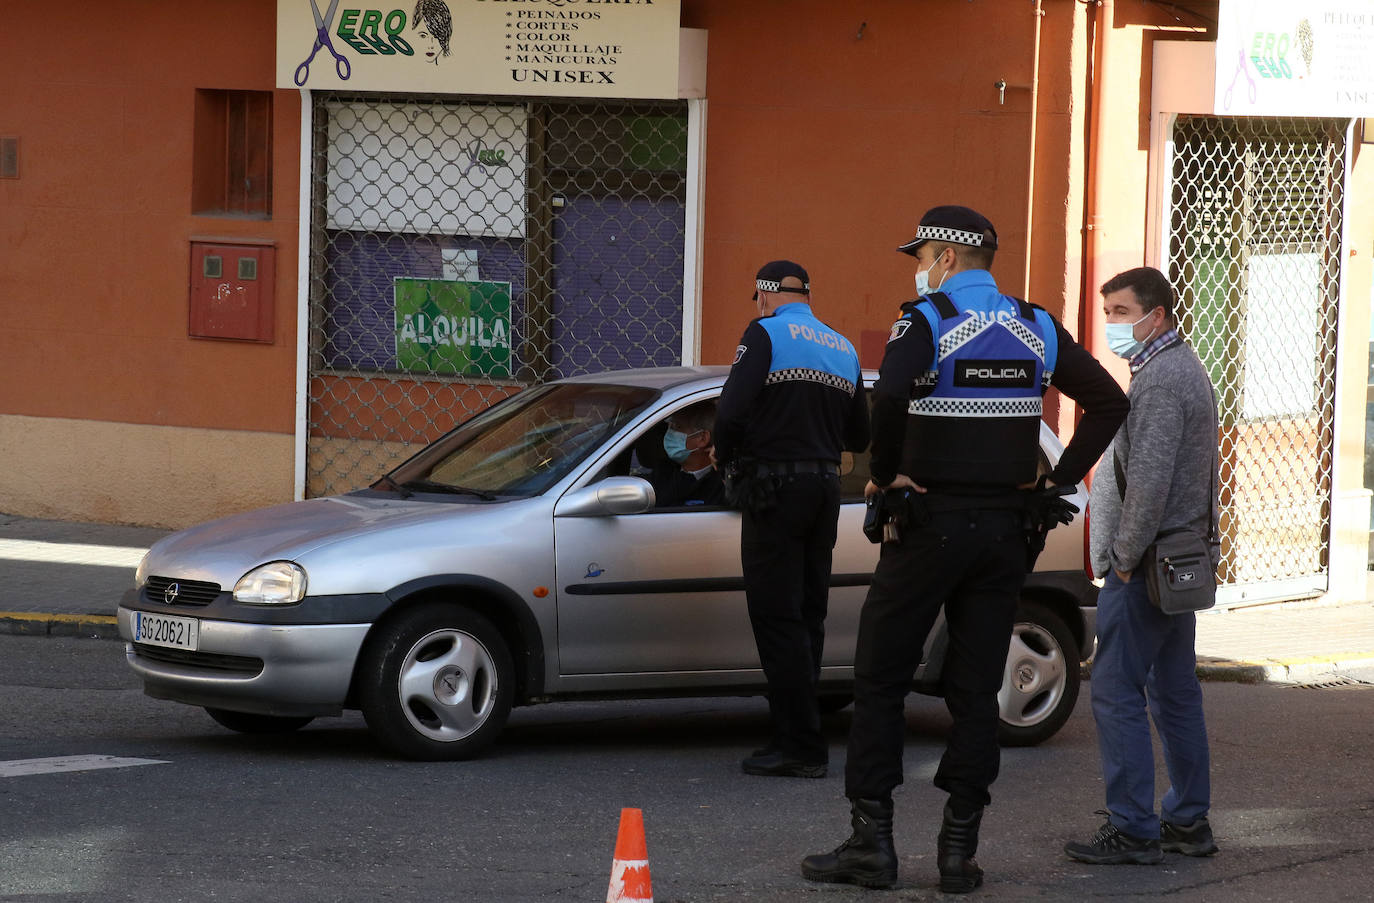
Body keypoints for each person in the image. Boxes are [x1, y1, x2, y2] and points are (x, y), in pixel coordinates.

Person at [802, 206, 1128, 892]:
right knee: (976, 688)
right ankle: (959, 852)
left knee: (882, 677)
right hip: (1006, 531)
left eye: (920, 254)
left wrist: (885, 470)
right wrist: (1057, 482)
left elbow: (889, 392)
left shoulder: (927, 321)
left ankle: (873, 843)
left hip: (928, 525)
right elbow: (1107, 401)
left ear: (947, 258)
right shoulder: (1036, 324)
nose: (918, 268)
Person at [1063, 266, 1220, 864]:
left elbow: (1149, 482)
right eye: (1108, 314)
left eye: (1122, 313)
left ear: (1157, 315)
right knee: (1175, 689)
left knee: (1115, 690)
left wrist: (1124, 559)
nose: (1111, 325)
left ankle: (1132, 829)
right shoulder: (1182, 369)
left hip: (1149, 563)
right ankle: (1187, 820)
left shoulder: (1158, 382)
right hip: (1179, 556)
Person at [714, 260, 870, 779]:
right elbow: (861, 437)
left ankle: (799, 746)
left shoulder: (764, 334)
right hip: (824, 489)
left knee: (775, 615)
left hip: (774, 490)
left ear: (763, 296)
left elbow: (730, 412)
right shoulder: (843, 347)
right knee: (807, 613)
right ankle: (803, 735)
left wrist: (727, 455)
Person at [649, 401, 726, 507]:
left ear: (702, 438)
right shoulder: (663, 473)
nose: (669, 433)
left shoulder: (722, 482)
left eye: (677, 427)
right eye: (670, 426)